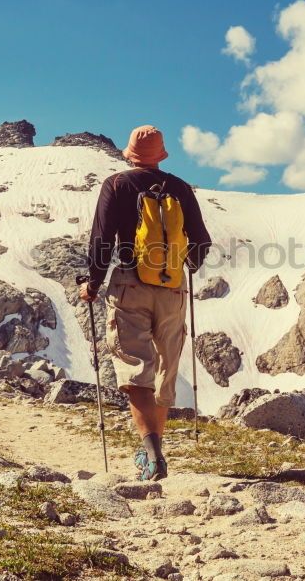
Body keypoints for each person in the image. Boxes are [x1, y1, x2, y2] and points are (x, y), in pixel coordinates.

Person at [79, 124, 211, 481]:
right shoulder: (180, 188)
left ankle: (152, 455)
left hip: (130, 285)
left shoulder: (118, 184)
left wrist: (92, 282)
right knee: (166, 366)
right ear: (161, 154)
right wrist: (184, 266)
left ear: (130, 154)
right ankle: (154, 451)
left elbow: (101, 240)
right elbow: (200, 242)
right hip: (172, 288)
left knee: (136, 366)